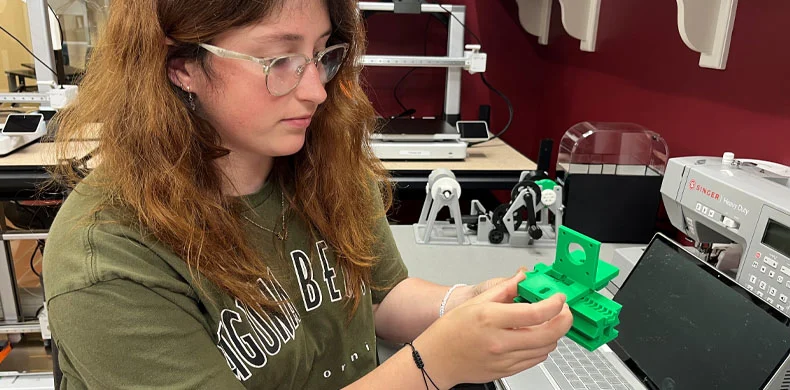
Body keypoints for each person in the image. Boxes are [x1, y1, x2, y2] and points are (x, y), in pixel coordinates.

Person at [42, 0, 573, 388]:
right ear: (181, 66)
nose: (317, 90)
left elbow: (379, 296)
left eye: (321, 54)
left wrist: (464, 304)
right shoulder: (109, 256)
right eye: (279, 60)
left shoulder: (324, 165)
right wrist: (433, 366)